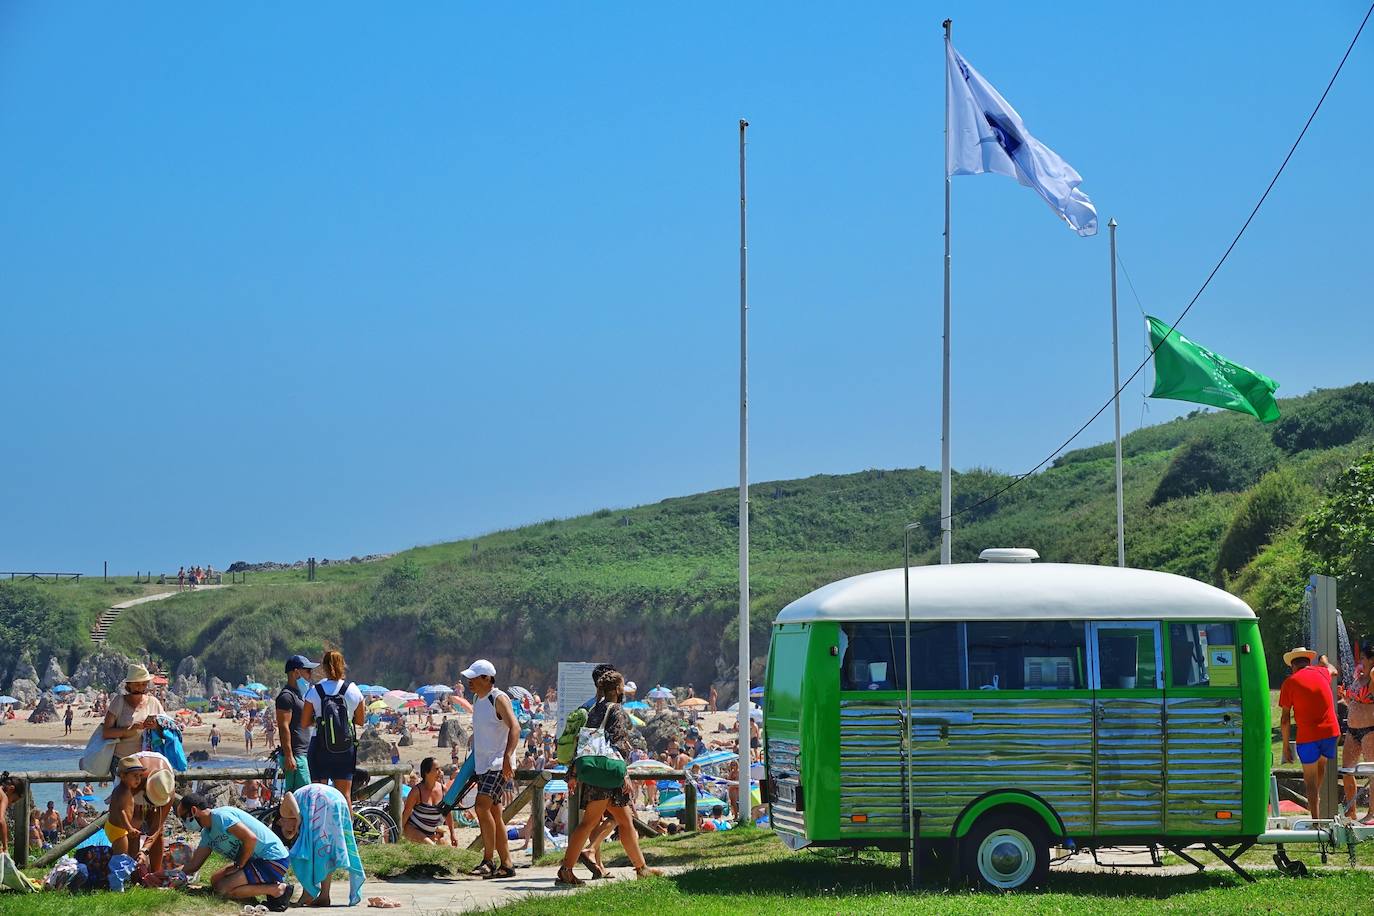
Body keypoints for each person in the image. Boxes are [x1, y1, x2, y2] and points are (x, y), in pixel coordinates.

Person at [557, 669, 661, 887]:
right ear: (616, 689)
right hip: (608, 772)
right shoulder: (616, 710)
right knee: (588, 823)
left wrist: (573, 773)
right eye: (622, 686)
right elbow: (618, 744)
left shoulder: (594, 709)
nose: (623, 690)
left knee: (625, 822)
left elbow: (583, 743)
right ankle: (566, 870)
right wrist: (624, 775)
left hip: (595, 770)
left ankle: (641, 868)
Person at [178, 792, 293, 911]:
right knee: (215, 881)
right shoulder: (207, 833)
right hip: (254, 860)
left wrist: (239, 865)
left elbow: (250, 838)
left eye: (183, 817)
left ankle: (277, 889)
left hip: (272, 859)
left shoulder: (220, 816)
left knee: (223, 889)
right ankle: (252, 887)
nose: (184, 823)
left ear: (193, 810)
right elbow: (194, 864)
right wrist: (170, 874)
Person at [463, 658, 519, 879]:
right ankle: (507, 864)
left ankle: (488, 861)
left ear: (486, 679)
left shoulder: (498, 698)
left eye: (473, 678)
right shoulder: (478, 698)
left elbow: (515, 726)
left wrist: (508, 756)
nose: (469, 682)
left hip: (497, 764)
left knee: (481, 807)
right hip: (483, 764)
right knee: (494, 814)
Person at [271, 782, 366, 907]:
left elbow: (288, 795)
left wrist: (299, 818)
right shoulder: (300, 815)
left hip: (322, 799)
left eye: (289, 830)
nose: (294, 830)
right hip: (337, 799)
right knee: (325, 851)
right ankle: (323, 895)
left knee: (314, 852)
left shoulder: (284, 813)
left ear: (280, 822)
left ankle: (309, 893)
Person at [1280, 646, 1341, 820]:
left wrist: (1286, 747)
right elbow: (1334, 670)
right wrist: (1325, 661)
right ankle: (1316, 798)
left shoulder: (1290, 682)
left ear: (1293, 666)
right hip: (1331, 733)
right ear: (1309, 661)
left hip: (1308, 737)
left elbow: (1285, 719)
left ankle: (1315, 821)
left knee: (1310, 781)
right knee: (1320, 766)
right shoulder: (1322, 672)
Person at [300, 650, 365, 804]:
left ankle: (320, 828)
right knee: (345, 796)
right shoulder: (353, 690)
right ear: (343, 665)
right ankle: (347, 828)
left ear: (324, 668)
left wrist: (321, 721)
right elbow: (361, 721)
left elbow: (304, 722)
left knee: (319, 796)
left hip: (320, 747)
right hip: (345, 747)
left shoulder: (315, 691)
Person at [102, 664, 166, 775]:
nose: (140, 688)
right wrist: (129, 730)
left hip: (147, 761)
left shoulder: (153, 702)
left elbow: (166, 729)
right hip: (123, 761)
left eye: (143, 684)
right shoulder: (119, 702)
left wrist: (155, 726)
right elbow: (106, 732)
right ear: (129, 685)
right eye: (136, 684)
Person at [275, 654, 318, 793]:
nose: (310, 675)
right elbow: (283, 727)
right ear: (296, 672)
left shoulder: (299, 695)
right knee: (302, 796)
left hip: (302, 754)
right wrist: (289, 756)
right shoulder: (286, 696)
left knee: (298, 798)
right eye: (308, 671)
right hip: (296, 755)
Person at [1342, 640, 1374, 822]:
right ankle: (1351, 811)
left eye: (1363, 658)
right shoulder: (1359, 677)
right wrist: (1345, 697)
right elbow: (1354, 701)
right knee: (1347, 770)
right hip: (1352, 730)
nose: (1360, 661)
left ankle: (1372, 812)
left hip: (1370, 729)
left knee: (1372, 772)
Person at [402, 757, 457, 845]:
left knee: (445, 851)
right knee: (431, 847)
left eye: (440, 769)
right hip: (414, 829)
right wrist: (399, 833)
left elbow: (448, 813)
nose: (440, 772)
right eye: (436, 769)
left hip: (431, 832)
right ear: (426, 772)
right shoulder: (416, 791)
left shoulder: (443, 789)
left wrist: (453, 834)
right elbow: (406, 812)